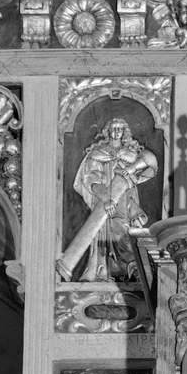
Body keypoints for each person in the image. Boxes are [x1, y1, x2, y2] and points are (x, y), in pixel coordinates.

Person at [58, 118, 158, 282]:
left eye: (120, 129)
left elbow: (150, 162)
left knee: (123, 232)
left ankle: (132, 268)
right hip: (103, 202)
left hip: (125, 203)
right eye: (113, 128)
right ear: (107, 131)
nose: (116, 132)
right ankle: (101, 271)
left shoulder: (130, 155)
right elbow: (90, 179)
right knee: (101, 234)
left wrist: (132, 168)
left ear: (124, 132)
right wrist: (105, 199)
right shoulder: (97, 154)